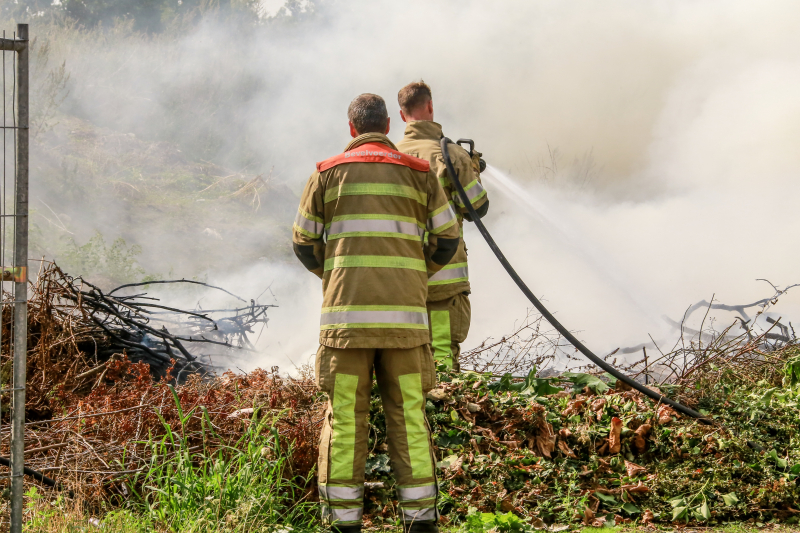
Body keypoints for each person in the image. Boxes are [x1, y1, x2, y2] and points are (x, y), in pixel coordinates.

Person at [292, 93, 460, 533]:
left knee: (345, 419)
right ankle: (421, 521)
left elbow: (303, 243)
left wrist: (334, 277)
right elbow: (447, 239)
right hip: (406, 329)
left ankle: (344, 524)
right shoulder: (420, 173)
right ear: (388, 125)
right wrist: (414, 277)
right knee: (409, 418)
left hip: (346, 329)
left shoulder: (326, 175)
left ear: (352, 129)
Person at [396, 81, 489, 372]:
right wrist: (472, 170)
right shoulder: (451, 155)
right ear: (431, 106)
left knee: (406, 353)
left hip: (401, 277)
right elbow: (478, 208)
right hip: (444, 281)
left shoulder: (390, 157)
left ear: (401, 116)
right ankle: (444, 410)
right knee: (442, 357)